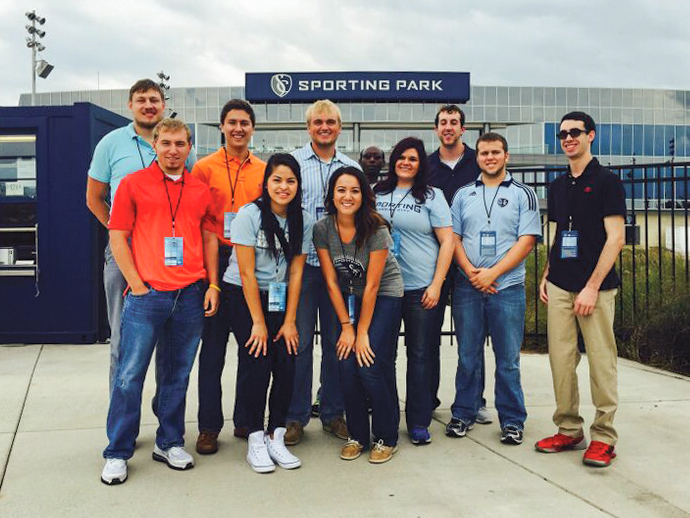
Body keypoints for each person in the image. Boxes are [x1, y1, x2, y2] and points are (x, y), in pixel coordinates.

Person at [100, 118, 218, 485]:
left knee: (176, 375)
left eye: (179, 144)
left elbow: (210, 238)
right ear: (155, 145)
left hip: (189, 295)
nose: (172, 150)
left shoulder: (200, 189)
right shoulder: (133, 185)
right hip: (147, 294)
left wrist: (213, 284)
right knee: (129, 375)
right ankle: (118, 451)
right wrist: (136, 284)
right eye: (165, 143)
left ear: (188, 146)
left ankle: (169, 441)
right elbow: (118, 236)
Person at [86, 79, 196, 394]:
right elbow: (94, 197)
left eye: (154, 99)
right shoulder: (111, 143)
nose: (148, 105)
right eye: (141, 99)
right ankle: (121, 420)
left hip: (169, 252)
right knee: (123, 337)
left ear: (163, 104)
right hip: (127, 250)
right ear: (130, 105)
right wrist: (117, 230)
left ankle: (165, 416)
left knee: (169, 338)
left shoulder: (177, 143)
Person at [536, 112, 626, 468]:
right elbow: (559, 236)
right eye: (563, 134)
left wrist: (591, 287)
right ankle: (569, 429)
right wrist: (546, 273)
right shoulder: (558, 186)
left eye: (575, 132)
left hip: (596, 289)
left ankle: (604, 436)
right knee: (561, 361)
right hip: (560, 285)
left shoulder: (608, 181)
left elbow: (616, 238)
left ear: (591, 135)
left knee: (601, 362)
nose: (568, 138)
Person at [447, 132, 541, 445]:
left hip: (508, 287)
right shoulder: (462, 194)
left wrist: (494, 274)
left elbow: (526, 241)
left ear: (506, 156)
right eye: (484, 152)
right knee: (467, 356)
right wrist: (471, 272)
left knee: (508, 359)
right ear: (477, 157)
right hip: (468, 286)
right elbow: (454, 238)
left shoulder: (522, 194)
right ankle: (463, 413)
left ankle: (512, 421)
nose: (490, 157)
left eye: (496, 152)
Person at [222, 154, 313, 473]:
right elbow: (246, 274)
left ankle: (277, 434)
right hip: (244, 294)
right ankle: (255, 437)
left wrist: (290, 321)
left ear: (298, 185)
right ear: (266, 183)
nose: (283, 187)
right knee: (258, 362)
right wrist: (258, 323)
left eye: (290, 181)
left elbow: (297, 274)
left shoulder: (303, 219)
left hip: (279, 295)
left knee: (287, 361)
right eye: (277, 180)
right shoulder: (249, 215)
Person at [314, 166, 404, 464]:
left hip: (385, 294)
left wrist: (361, 331)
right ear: (332, 195)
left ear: (363, 195)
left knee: (369, 363)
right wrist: (346, 327)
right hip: (350, 296)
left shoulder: (376, 228)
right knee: (344, 362)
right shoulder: (323, 228)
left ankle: (386, 436)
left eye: (354, 190)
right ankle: (357, 435)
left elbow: (374, 285)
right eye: (341, 190)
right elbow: (330, 281)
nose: (347, 196)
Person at [286, 100, 361, 445]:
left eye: (331, 121)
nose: (324, 127)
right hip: (303, 266)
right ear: (309, 126)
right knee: (298, 345)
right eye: (318, 121)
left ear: (340, 126)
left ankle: (332, 413)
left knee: (336, 345)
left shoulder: (351, 167)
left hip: (339, 270)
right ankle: (296, 416)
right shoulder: (293, 164)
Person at [193, 99, 265, 454]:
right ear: (222, 126)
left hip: (249, 259)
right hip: (214, 255)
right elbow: (196, 219)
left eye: (245, 123)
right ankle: (208, 426)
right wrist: (210, 279)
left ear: (253, 128)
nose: (239, 128)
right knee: (213, 352)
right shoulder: (203, 168)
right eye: (232, 122)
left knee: (251, 348)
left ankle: (246, 419)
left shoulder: (264, 170)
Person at [373, 137, 453, 444]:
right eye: (401, 157)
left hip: (421, 287)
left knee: (420, 355)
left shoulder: (433, 196)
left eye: (413, 158)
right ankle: (387, 417)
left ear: (421, 164)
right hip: (384, 289)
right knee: (383, 355)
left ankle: (418, 421)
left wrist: (436, 284)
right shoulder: (376, 192)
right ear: (393, 161)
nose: (405, 162)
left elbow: (447, 241)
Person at [426, 105, 491, 424]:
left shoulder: (477, 162)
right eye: (443, 123)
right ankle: (427, 396)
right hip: (434, 260)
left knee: (471, 336)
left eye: (454, 122)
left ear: (463, 128)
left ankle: (474, 399)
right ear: (436, 129)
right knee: (427, 334)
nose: (448, 127)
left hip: (469, 259)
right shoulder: (426, 166)